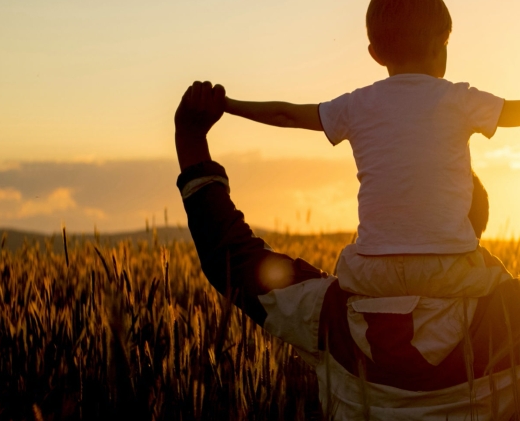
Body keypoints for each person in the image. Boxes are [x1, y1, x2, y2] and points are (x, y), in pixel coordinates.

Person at [175, 80, 520, 419]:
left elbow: (232, 260)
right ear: (471, 226)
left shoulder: (328, 317)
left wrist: (190, 140)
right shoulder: (510, 316)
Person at [223, 0, 520, 301]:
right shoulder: (459, 98)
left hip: (372, 273)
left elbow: (287, 114)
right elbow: (514, 114)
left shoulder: (356, 104)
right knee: (500, 286)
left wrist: (227, 104)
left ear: (375, 54)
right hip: (447, 269)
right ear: (440, 45)